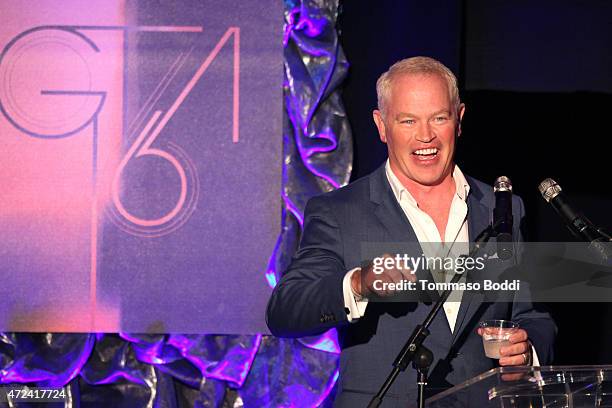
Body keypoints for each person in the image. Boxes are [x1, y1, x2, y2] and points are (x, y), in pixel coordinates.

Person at [266, 56, 556, 407]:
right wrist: (357, 284)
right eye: (408, 120)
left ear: (459, 119)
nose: (425, 136)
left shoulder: (502, 209)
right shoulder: (339, 212)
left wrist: (527, 352)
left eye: (439, 117)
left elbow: (530, 315)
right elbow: (284, 311)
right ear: (382, 125)